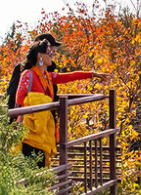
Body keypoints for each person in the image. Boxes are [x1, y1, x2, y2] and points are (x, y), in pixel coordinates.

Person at [14, 34, 109, 167]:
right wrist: (37, 109)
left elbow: (70, 76)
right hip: (30, 131)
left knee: (40, 169)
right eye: (48, 53)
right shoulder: (28, 75)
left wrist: (92, 74)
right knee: (31, 168)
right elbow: (19, 100)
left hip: (43, 131)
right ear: (40, 56)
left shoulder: (48, 77)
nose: (52, 56)